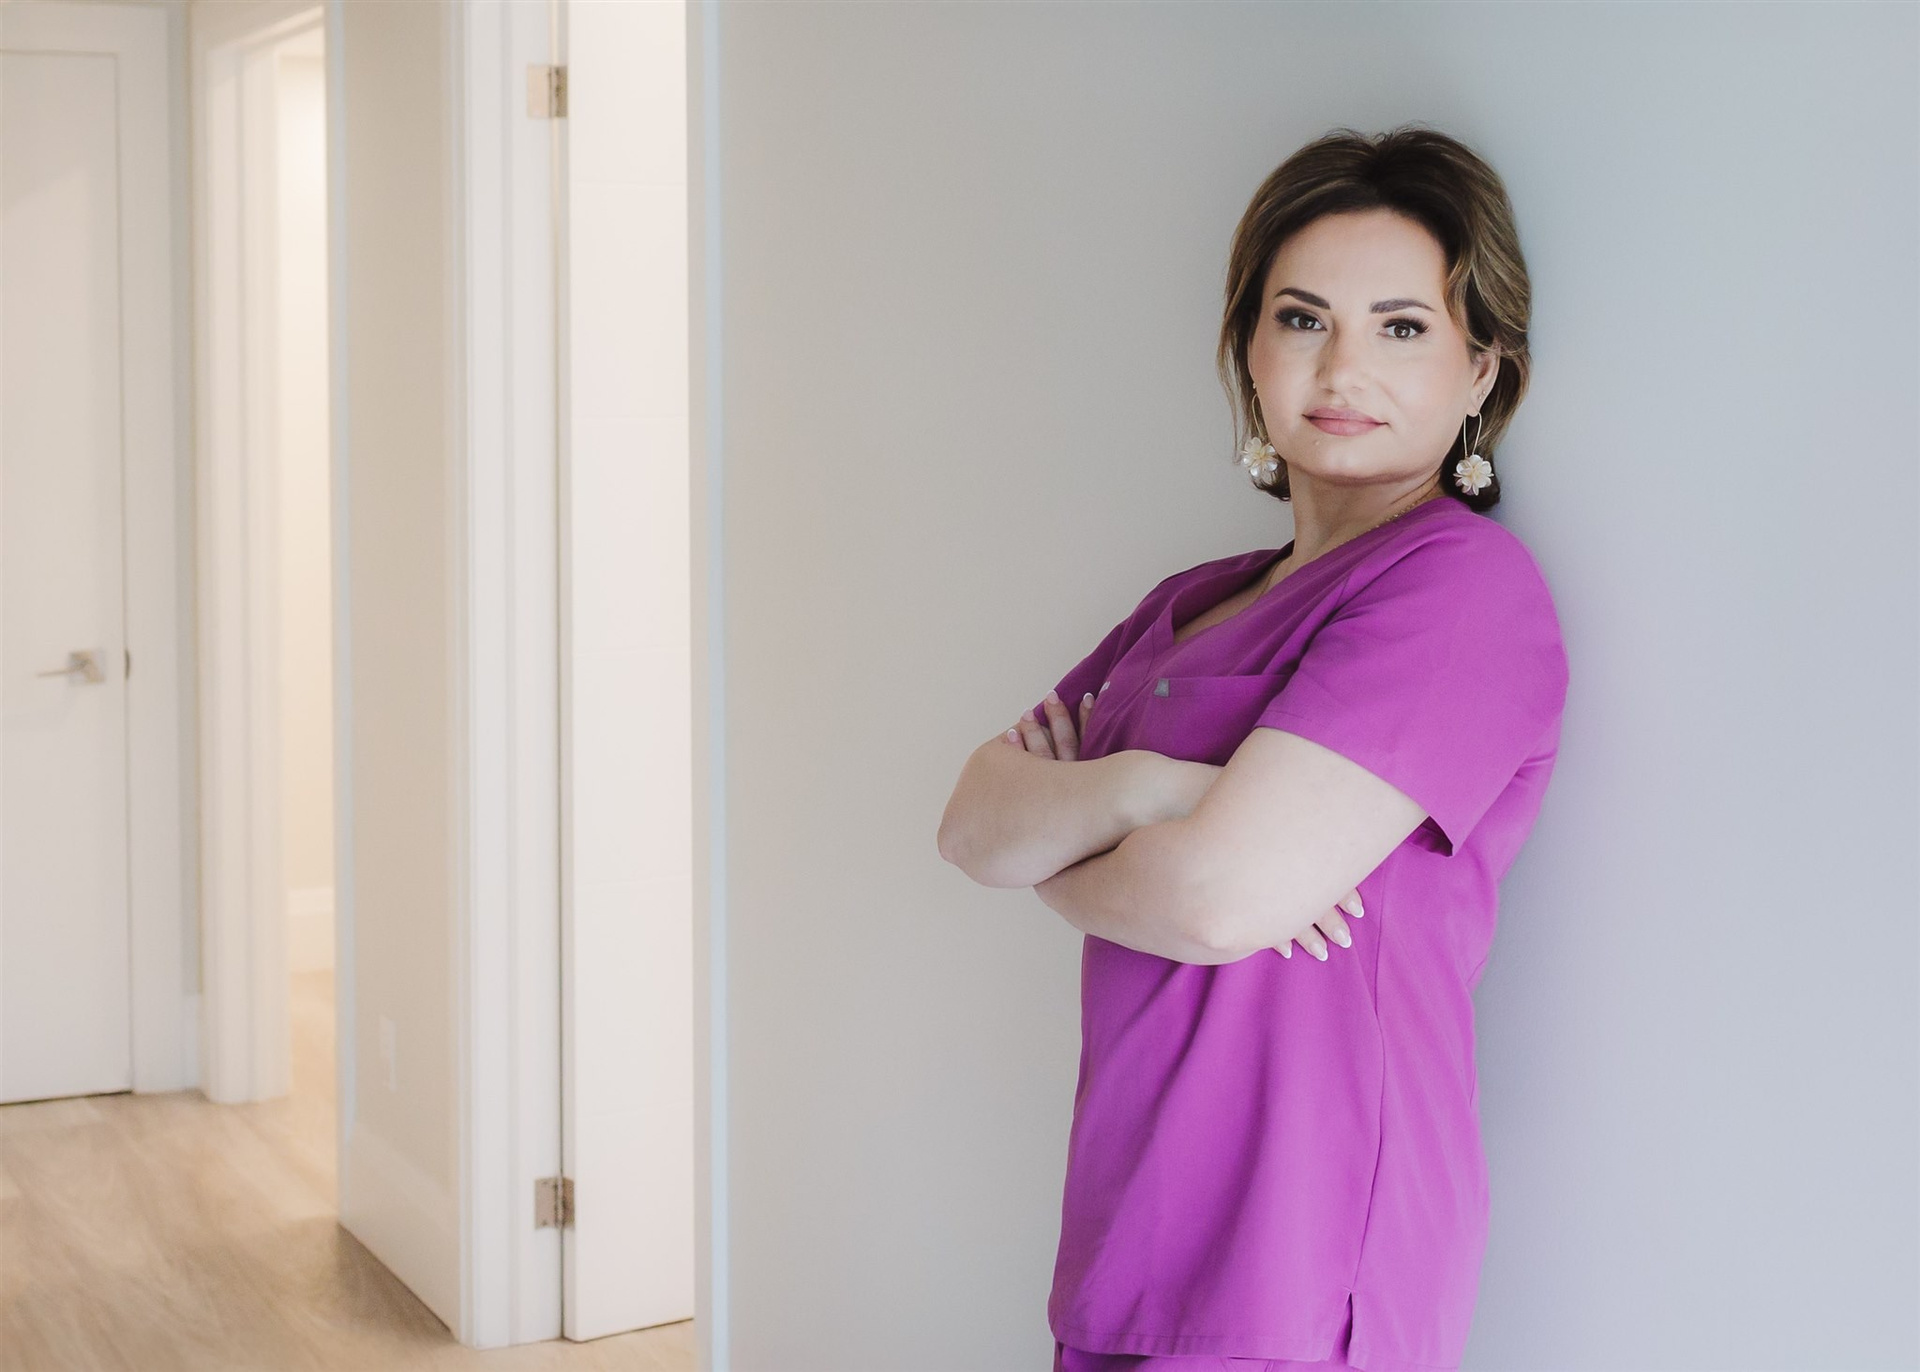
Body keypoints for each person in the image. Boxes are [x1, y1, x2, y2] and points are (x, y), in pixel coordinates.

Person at [936, 125, 1571, 1372]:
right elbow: (971, 826)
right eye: (1301, 318)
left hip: (1306, 1256)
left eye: (1401, 327)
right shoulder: (1193, 600)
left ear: (1480, 370)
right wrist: (1152, 788)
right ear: (1249, 348)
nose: (1343, 366)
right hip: (1128, 1232)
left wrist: (1072, 842)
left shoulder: (1463, 592)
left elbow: (1217, 899)